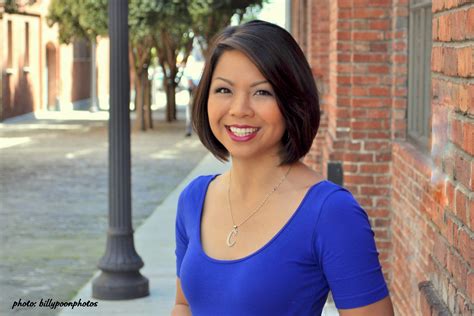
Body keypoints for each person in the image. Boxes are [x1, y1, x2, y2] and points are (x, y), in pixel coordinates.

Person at [172, 20, 394, 316]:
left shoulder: (330, 212)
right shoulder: (193, 199)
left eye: (262, 92)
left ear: (292, 101)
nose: (239, 109)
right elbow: (184, 304)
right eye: (224, 89)